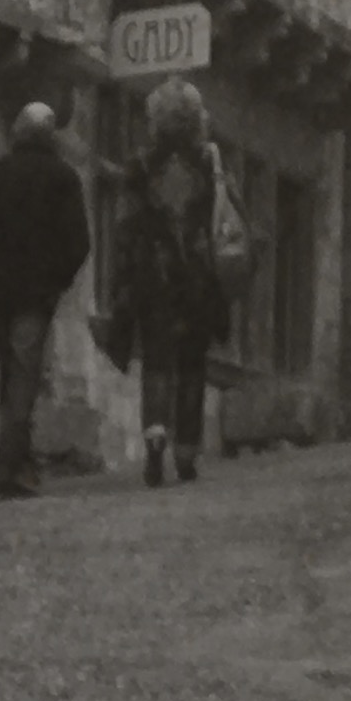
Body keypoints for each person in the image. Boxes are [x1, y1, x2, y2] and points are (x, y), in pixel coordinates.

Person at [0, 102, 94, 497]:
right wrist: (57, 281)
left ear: (16, 134)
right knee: (23, 376)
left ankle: (20, 463)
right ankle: (10, 468)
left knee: (13, 372)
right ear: (50, 137)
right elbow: (79, 243)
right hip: (34, 294)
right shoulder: (62, 178)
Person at [103, 76, 238, 485]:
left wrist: (122, 278)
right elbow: (224, 220)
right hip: (197, 276)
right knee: (192, 364)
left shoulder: (140, 165)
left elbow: (125, 226)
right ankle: (186, 453)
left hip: (153, 275)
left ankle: (156, 437)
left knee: (157, 362)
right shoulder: (209, 162)